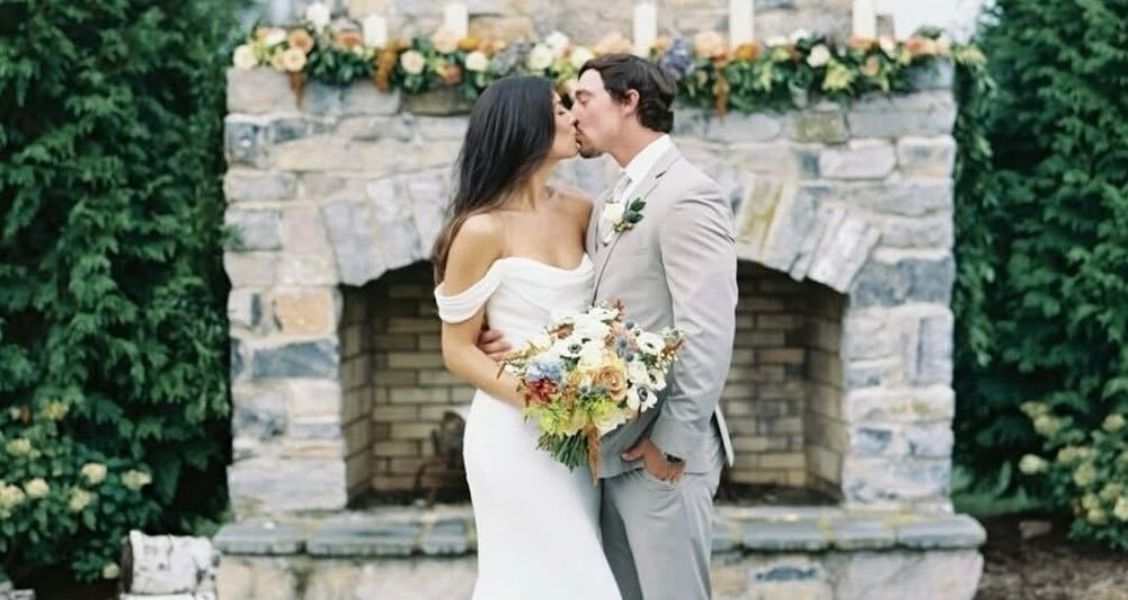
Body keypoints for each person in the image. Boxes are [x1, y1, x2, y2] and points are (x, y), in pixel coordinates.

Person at [476, 54, 738, 600]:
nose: (574, 114)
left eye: (584, 99)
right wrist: (512, 339)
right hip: (611, 450)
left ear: (629, 102)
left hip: (661, 452)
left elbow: (706, 334)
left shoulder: (687, 194)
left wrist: (670, 445)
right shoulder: (612, 197)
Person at [432, 75, 622, 600]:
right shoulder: (481, 230)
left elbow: (606, 310)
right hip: (513, 435)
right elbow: (458, 348)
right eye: (559, 108)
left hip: (577, 439)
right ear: (524, 126)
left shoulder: (582, 209)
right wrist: (545, 401)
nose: (571, 115)